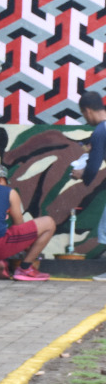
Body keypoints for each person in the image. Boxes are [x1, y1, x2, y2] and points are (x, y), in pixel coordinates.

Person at [69, 91, 106, 280]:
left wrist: (81, 174)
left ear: (88, 111)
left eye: (84, 114)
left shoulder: (101, 130)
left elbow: (93, 167)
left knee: (105, 228)